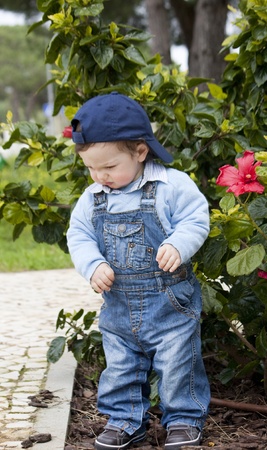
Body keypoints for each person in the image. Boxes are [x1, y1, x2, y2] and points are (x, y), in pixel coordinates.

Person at [66, 92, 211, 450]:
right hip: (118, 307)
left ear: (140, 151)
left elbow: (196, 218)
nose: (100, 176)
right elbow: (79, 235)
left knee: (178, 362)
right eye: (91, 168)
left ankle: (183, 421)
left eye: (109, 167)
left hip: (169, 302)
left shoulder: (170, 186)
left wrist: (178, 244)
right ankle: (125, 420)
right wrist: (93, 264)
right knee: (120, 367)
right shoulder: (92, 198)